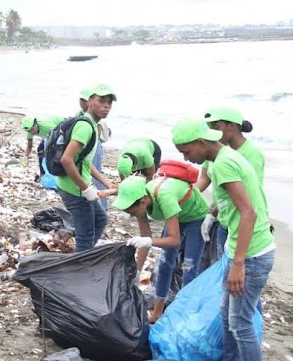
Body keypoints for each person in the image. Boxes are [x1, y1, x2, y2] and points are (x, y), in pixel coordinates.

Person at [171, 118, 274, 361]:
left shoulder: (225, 163)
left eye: (186, 150)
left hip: (252, 254)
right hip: (238, 249)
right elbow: (234, 203)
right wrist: (213, 214)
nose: (185, 157)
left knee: (241, 323)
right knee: (225, 314)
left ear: (202, 143)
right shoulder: (222, 160)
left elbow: (248, 213)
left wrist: (239, 263)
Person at [113, 172, 208, 323]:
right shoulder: (139, 200)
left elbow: (174, 240)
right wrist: (136, 272)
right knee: (164, 265)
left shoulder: (165, 198)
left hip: (195, 216)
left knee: (189, 267)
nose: (131, 215)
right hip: (177, 215)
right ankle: (157, 313)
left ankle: (184, 317)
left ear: (143, 202)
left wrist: (149, 241)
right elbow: (145, 237)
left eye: (131, 212)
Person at [196, 107, 266, 258]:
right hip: (223, 216)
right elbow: (204, 178)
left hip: (240, 221)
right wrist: (186, 195)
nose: (212, 133)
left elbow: (251, 194)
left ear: (232, 126)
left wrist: (213, 212)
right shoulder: (214, 150)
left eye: (216, 128)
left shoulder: (250, 153)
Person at [56, 84, 118, 252]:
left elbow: (83, 160)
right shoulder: (85, 127)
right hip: (74, 190)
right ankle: (81, 265)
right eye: (101, 101)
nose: (106, 106)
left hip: (77, 186)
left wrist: (106, 183)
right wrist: (85, 189)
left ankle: (85, 256)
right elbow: (66, 159)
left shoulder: (91, 124)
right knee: (86, 236)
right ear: (90, 101)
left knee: (100, 219)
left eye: (109, 103)